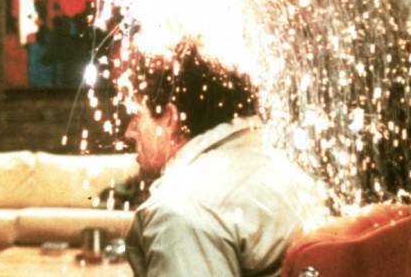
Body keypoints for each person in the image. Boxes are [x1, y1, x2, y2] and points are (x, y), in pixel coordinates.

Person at [124, 47, 325, 276]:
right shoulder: (285, 172)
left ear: (171, 118)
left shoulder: (178, 210)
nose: (129, 132)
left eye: (136, 117)